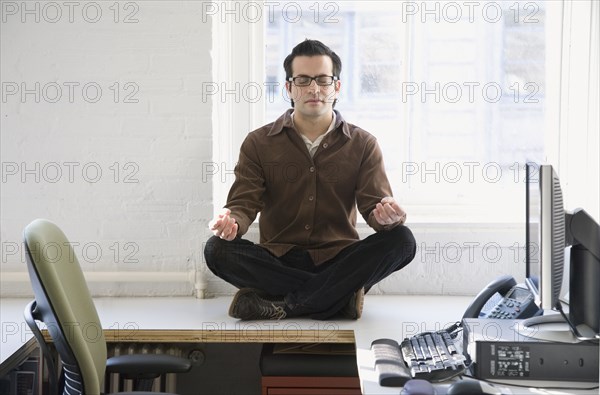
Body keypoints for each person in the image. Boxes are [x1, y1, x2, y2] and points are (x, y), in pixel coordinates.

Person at [204, 39, 416, 321]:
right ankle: (338, 299)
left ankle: (285, 304)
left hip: (341, 259)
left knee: (402, 240)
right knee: (217, 249)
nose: (314, 88)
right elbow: (243, 203)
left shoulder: (363, 144)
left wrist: (388, 217)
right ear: (289, 88)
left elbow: (376, 206)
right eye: (303, 80)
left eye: (323, 80)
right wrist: (232, 222)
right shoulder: (258, 143)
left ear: (336, 87)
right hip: (278, 260)